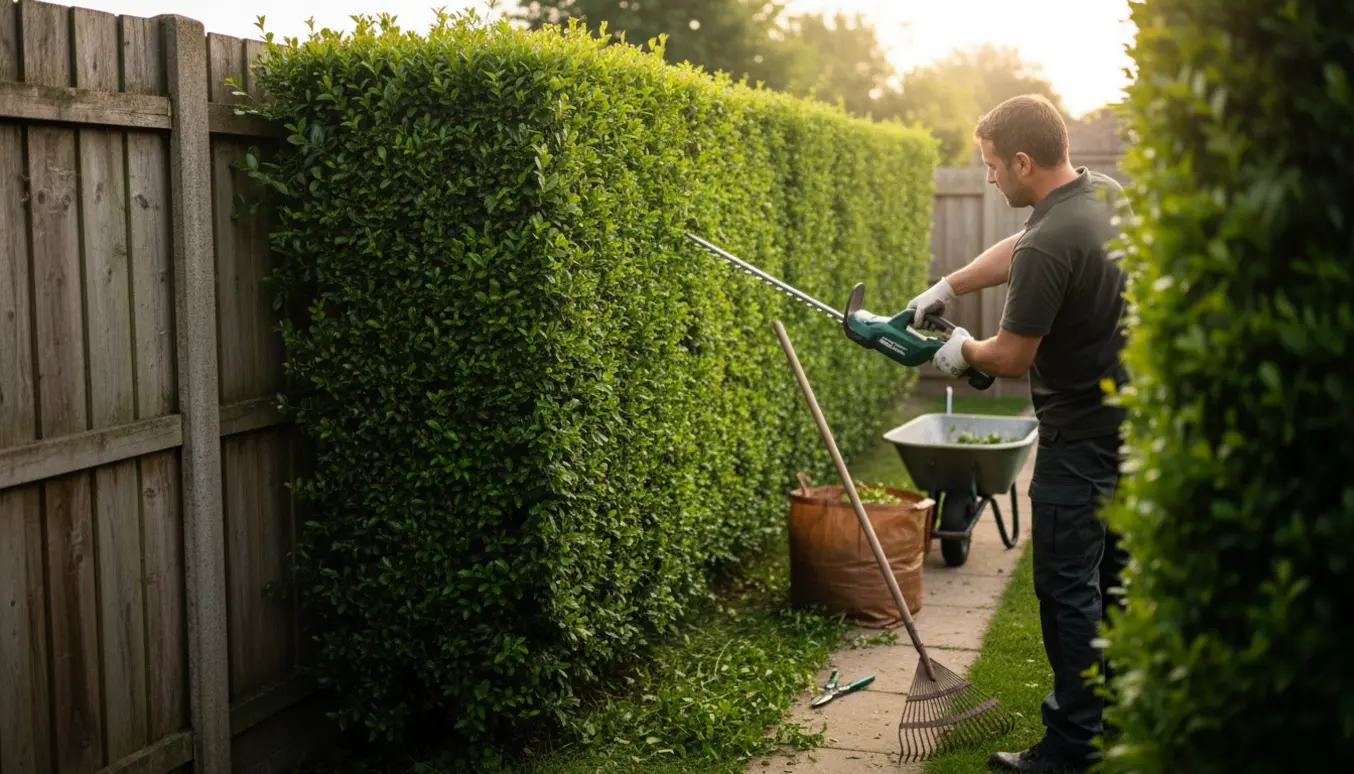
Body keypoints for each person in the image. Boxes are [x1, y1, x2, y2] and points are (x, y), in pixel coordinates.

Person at [908, 94, 1132, 774]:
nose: (988, 178)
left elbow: (1010, 356)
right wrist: (950, 283)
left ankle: (1069, 749)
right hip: (1130, 429)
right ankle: (1117, 713)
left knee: (1067, 591)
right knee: (1115, 583)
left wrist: (964, 351)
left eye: (993, 167)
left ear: (1024, 161)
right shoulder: (1103, 196)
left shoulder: (1048, 241)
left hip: (1076, 442)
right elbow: (1028, 241)